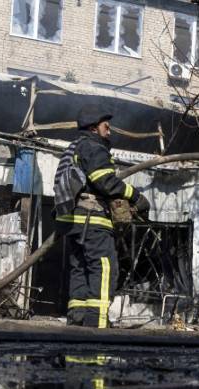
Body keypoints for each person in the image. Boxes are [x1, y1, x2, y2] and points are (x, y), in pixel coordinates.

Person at [54, 104, 150, 328]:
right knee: (104, 267)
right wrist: (135, 196)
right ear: (94, 128)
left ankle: (78, 319)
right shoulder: (94, 147)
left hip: (73, 222)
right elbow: (105, 182)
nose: (110, 131)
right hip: (92, 220)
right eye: (106, 126)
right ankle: (97, 323)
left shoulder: (75, 147)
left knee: (80, 268)